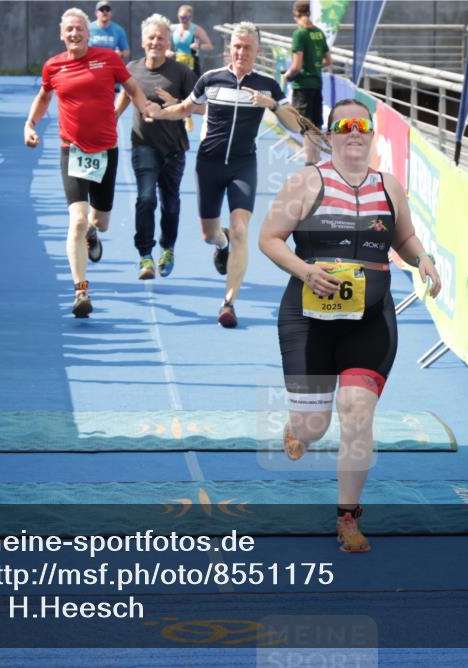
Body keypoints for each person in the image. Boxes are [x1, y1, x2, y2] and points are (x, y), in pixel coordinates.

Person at [258, 99, 442, 552]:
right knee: (315, 426)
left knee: (357, 413)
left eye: (362, 125)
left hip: (370, 320)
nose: (354, 132)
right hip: (309, 319)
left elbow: (404, 239)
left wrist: (424, 260)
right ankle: (298, 427)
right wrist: (304, 271)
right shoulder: (306, 181)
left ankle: (348, 518)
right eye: (344, 126)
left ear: (373, 135)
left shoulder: (389, 187)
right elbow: (269, 239)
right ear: (331, 134)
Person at [146, 22, 306, 328]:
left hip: (243, 166)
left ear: (257, 51)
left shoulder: (267, 84)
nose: (241, 52)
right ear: (228, 49)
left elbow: (296, 125)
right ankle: (223, 244)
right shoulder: (210, 79)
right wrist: (159, 113)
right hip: (209, 164)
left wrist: (271, 104)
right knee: (210, 235)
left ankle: (228, 302)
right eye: (237, 46)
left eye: (247, 47)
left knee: (242, 229)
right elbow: (185, 108)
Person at [24, 8, 151, 318]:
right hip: (73, 150)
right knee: (77, 220)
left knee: (99, 222)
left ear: (88, 31)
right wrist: (30, 124)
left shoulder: (108, 59)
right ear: (61, 34)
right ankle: (81, 290)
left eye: (79, 28)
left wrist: (144, 105)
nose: (74, 34)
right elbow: (44, 98)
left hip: (106, 150)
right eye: (69, 29)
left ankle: (92, 235)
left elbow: (132, 87)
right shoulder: (53, 66)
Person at [115, 14, 199, 280]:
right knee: (146, 198)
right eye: (151, 37)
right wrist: (110, 119)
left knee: (170, 203)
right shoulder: (133, 68)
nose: (155, 42)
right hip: (143, 144)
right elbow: (125, 97)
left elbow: (199, 106)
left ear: (168, 41)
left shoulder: (181, 72)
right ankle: (145, 255)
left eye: (161, 38)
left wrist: (176, 102)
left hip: (174, 148)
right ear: (142, 41)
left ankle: (168, 248)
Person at [285, 1, 331, 165]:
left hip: (302, 86)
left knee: (306, 125)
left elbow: (296, 65)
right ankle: (317, 159)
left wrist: (287, 76)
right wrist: (314, 66)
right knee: (316, 124)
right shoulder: (319, 33)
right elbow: (328, 60)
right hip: (316, 83)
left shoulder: (300, 34)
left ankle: (309, 162)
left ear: (295, 14)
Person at [169, 4, 212, 79]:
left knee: (192, 85)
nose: (183, 20)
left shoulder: (197, 30)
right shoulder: (173, 28)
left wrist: (199, 46)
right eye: (181, 17)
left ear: (191, 17)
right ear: (178, 16)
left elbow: (209, 46)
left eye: (186, 18)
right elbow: (165, 42)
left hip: (192, 64)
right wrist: (167, 51)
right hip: (177, 62)